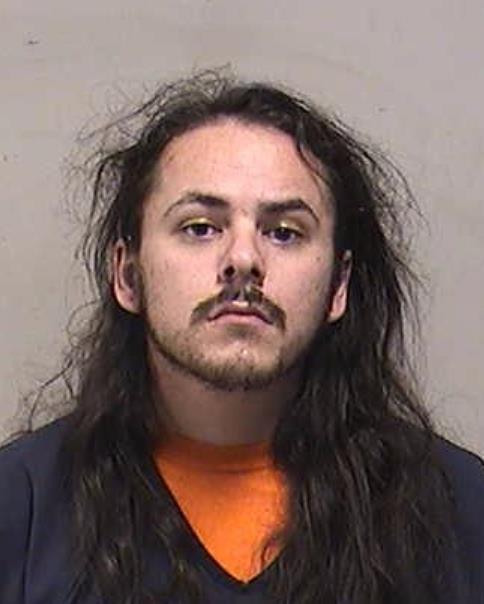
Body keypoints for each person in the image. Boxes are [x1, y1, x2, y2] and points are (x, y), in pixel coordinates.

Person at [1, 71, 483, 604]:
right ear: (128, 275)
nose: (244, 259)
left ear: (338, 287)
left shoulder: (460, 511)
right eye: (200, 227)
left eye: (284, 232)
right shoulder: (19, 506)